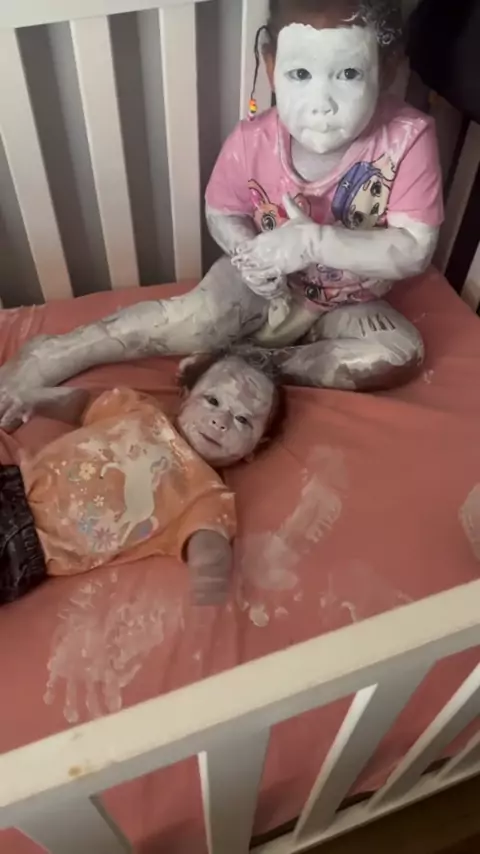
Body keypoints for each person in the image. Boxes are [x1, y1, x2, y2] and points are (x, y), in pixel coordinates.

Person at [0, 0, 443, 432]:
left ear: (386, 69)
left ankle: (250, 365)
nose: (321, 103)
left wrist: (313, 242)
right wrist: (249, 256)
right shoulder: (253, 140)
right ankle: (60, 351)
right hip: (263, 290)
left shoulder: (407, 139)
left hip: (348, 303)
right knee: (197, 319)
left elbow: (413, 250)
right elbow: (222, 210)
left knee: (399, 352)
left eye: (348, 74)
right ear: (271, 65)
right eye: (300, 74)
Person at [0, 355, 282, 607]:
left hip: (27, 544)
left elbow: (208, 535)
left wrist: (212, 562)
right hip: (13, 482)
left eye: (243, 420)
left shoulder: (207, 493)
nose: (220, 421)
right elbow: (82, 405)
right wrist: (39, 400)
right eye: (213, 401)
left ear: (256, 446)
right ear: (185, 396)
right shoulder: (139, 409)